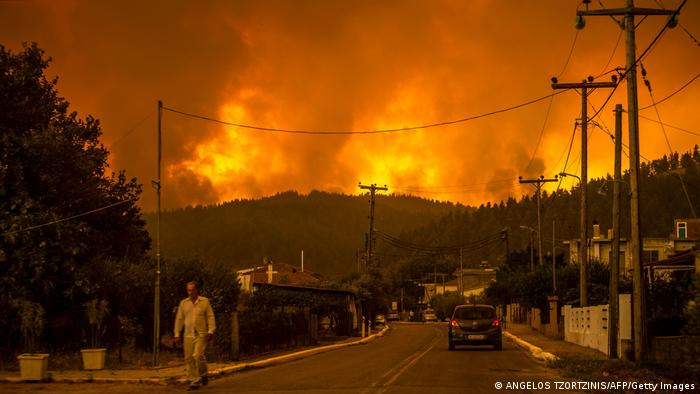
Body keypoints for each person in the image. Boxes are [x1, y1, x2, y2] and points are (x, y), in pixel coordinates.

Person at [174, 281, 216, 391]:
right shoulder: (184, 303)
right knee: (188, 358)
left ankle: (203, 373)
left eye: (192, 290)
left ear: (197, 290)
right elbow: (179, 319)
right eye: (189, 290)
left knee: (197, 355)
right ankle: (194, 381)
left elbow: (210, 316)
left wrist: (211, 330)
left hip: (201, 333)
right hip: (188, 334)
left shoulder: (204, 302)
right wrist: (177, 334)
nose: (190, 292)